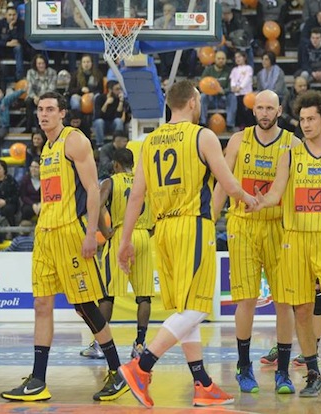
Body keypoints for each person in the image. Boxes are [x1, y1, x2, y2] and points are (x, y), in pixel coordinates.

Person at [116, 80, 257, 408]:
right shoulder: (202, 136)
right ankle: (142, 366)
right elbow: (228, 183)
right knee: (197, 307)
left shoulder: (149, 141)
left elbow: (136, 196)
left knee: (185, 309)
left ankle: (202, 383)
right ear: (193, 102)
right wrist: (249, 199)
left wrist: (125, 241)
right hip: (192, 224)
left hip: (162, 229)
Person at [0, 91, 129, 403]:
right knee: (42, 305)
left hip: (71, 232)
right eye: (40, 109)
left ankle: (117, 372)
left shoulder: (74, 141)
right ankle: (38, 380)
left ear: (62, 113)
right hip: (45, 234)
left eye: (49, 109)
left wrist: (91, 234)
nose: (43, 114)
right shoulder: (46, 148)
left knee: (85, 306)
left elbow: (93, 190)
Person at [247, 90, 321, 398]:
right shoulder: (290, 155)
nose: (305, 124)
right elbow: (276, 193)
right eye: (301, 119)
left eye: (311, 119)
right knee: (301, 310)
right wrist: (261, 202)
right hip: (296, 240)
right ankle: (313, 374)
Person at [212, 89, 301, 394]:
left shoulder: (293, 143)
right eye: (260, 108)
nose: (264, 113)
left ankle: (283, 372)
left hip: (278, 226)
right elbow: (223, 183)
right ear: (253, 111)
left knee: (284, 301)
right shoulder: (239, 140)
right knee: (246, 299)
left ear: (279, 111)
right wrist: (210, 219)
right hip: (243, 225)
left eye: (269, 108)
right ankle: (243, 366)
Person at [80, 147, 154, 360]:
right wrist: (148, 232)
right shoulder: (145, 182)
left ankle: (100, 345)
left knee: (107, 294)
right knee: (144, 296)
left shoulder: (111, 181)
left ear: (116, 165)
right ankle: (139, 344)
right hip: (143, 236)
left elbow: (97, 204)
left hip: (122, 235)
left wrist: (104, 231)